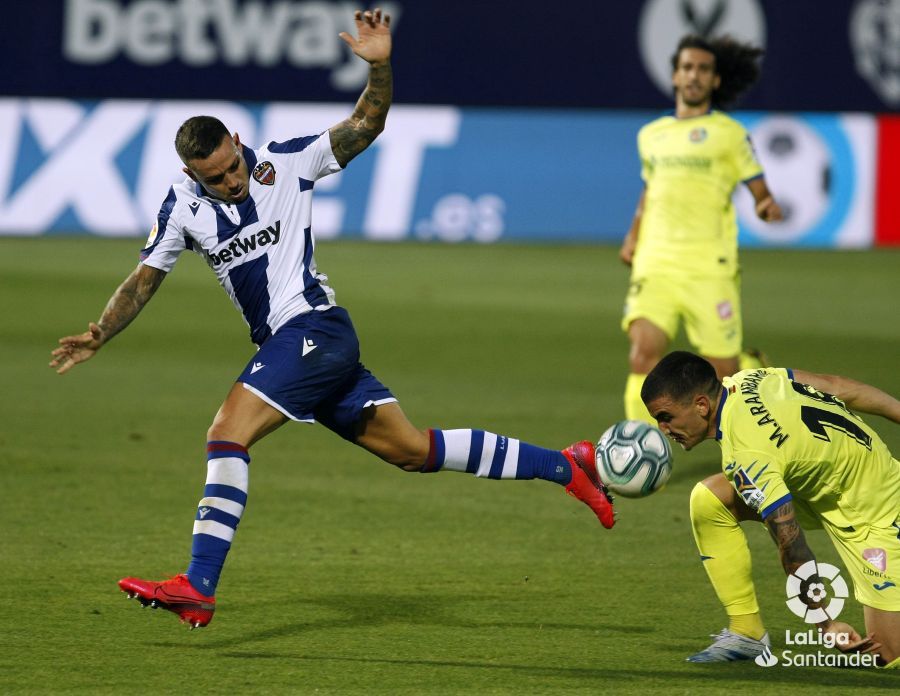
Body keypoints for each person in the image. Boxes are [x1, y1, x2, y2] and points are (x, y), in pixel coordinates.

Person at [49, 8, 615, 630]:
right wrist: (101, 330)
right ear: (192, 175)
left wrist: (380, 67)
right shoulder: (181, 207)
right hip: (302, 349)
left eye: (233, 165)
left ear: (239, 142)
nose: (232, 182)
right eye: (216, 178)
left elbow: (365, 123)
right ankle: (568, 465)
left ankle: (199, 585)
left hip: (314, 329)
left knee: (226, 435)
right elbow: (144, 280)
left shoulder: (287, 162)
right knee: (414, 450)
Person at [641, 351, 900, 667]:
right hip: (821, 486)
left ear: (701, 405)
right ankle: (747, 632)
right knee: (709, 500)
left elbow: (791, 541)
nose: (663, 428)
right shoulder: (750, 379)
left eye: (666, 416)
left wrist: (825, 622)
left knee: (885, 656)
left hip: (874, 512)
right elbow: (835, 386)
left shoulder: (746, 455)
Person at [620, 34, 783, 424]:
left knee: (723, 373)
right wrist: (633, 234)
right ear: (675, 76)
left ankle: (746, 364)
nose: (694, 75)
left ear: (715, 81)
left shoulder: (729, 134)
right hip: (656, 260)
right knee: (643, 352)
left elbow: (759, 188)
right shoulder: (651, 135)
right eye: (687, 67)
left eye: (703, 69)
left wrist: (765, 204)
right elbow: (650, 190)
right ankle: (641, 449)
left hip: (709, 264)